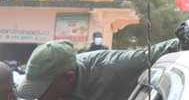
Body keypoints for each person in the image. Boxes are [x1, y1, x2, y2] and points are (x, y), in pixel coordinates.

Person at [15, 39, 178, 100]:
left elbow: (159, 52)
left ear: (69, 77)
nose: (39, 98)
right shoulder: (58, 91)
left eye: (44, 90)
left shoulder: (112, 67)